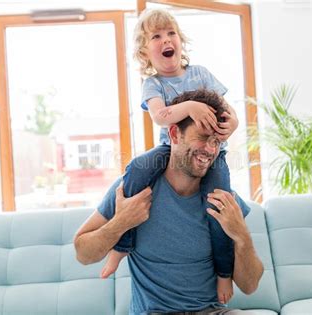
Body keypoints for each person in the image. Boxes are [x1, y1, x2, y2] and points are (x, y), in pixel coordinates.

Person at [74, 89, 264, 314]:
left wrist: (241, 234)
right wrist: (121, 222)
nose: (211, 150)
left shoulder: (222, 198)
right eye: (202, 137)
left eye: (216, 141)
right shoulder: (133, 190)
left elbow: (250, 286)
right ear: (174, 134)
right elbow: (82, 253)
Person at [101, 8, 241, 304]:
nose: (166, 40)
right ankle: (121, 246)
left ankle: (224, 272)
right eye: (156, 36)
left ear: (180, 41)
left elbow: (229, 111)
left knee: (218, 208)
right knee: (138, 166)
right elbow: (160, 116)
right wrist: (190, 106)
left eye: (171, 33)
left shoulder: (200, 73)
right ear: (145, 51)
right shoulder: (153, 84)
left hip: (213, 154)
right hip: (171, 151)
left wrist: (232, 124)